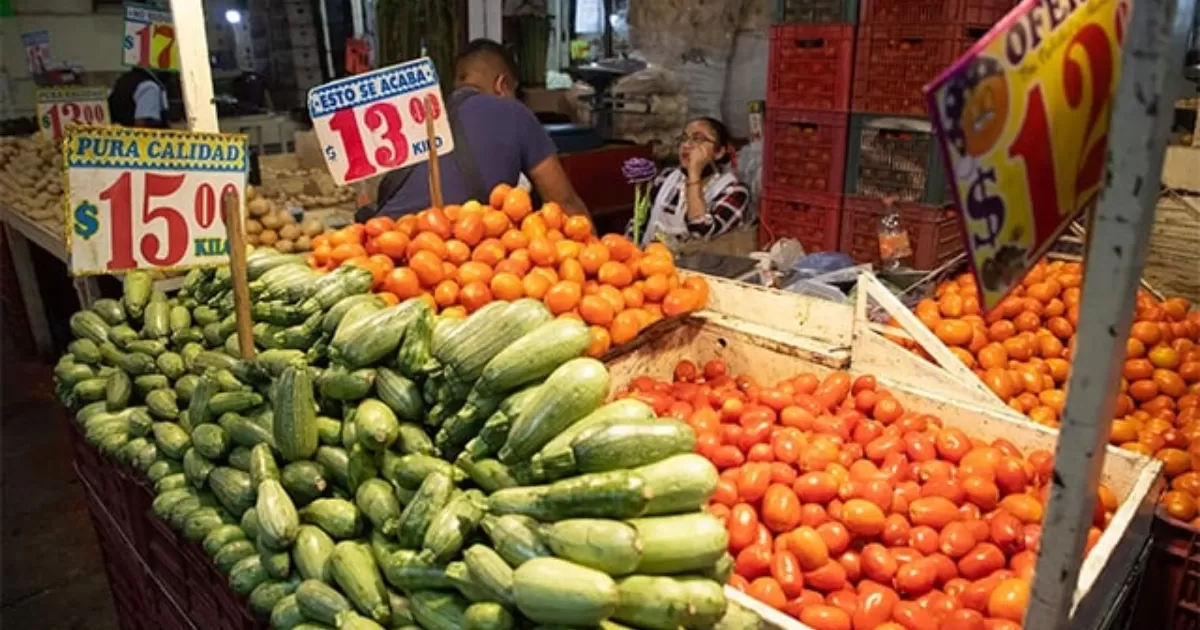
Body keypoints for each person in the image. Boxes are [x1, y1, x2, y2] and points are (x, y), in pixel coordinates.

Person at [375, 39, 588, 218]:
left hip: (380, 239)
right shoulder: (514, 112)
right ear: (502, 85)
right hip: (448, 245)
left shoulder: (423, 117)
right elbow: (565, 204)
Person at [628, 117, 749, 247]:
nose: (686, 145)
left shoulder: (733, 191)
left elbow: (700, 231)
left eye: (698, 139)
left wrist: (694, 173)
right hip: (651, 257)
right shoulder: (666, 178)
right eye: (684, 138)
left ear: (719, 152)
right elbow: (638, 223)